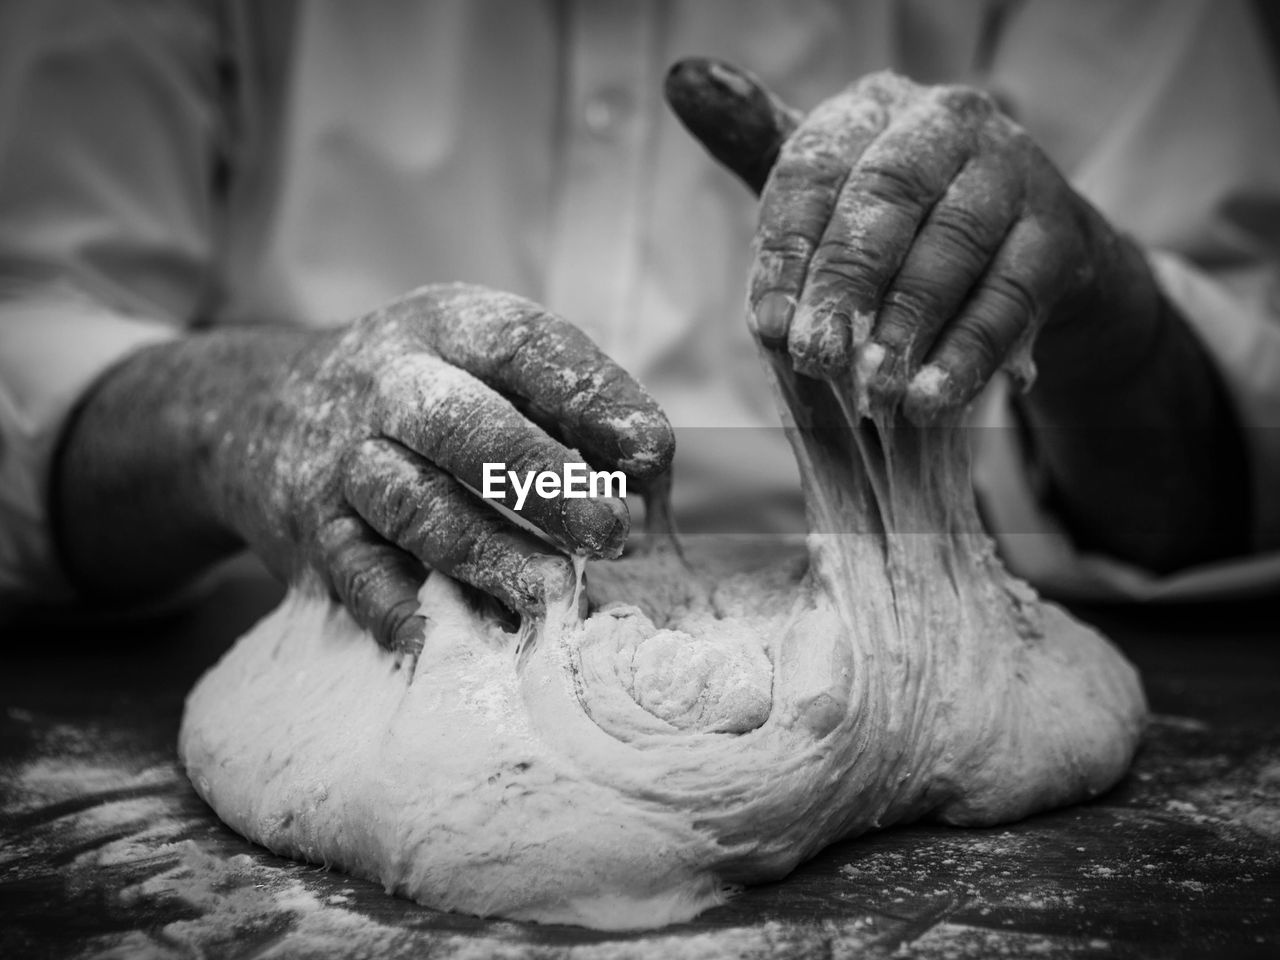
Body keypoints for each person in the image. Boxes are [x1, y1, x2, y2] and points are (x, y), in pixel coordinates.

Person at [1, 0, 1278, 650]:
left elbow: (1215, 468)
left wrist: (1100, 302)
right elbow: (31, 311)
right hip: (332, 604)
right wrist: (236, 409)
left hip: (947, 619)